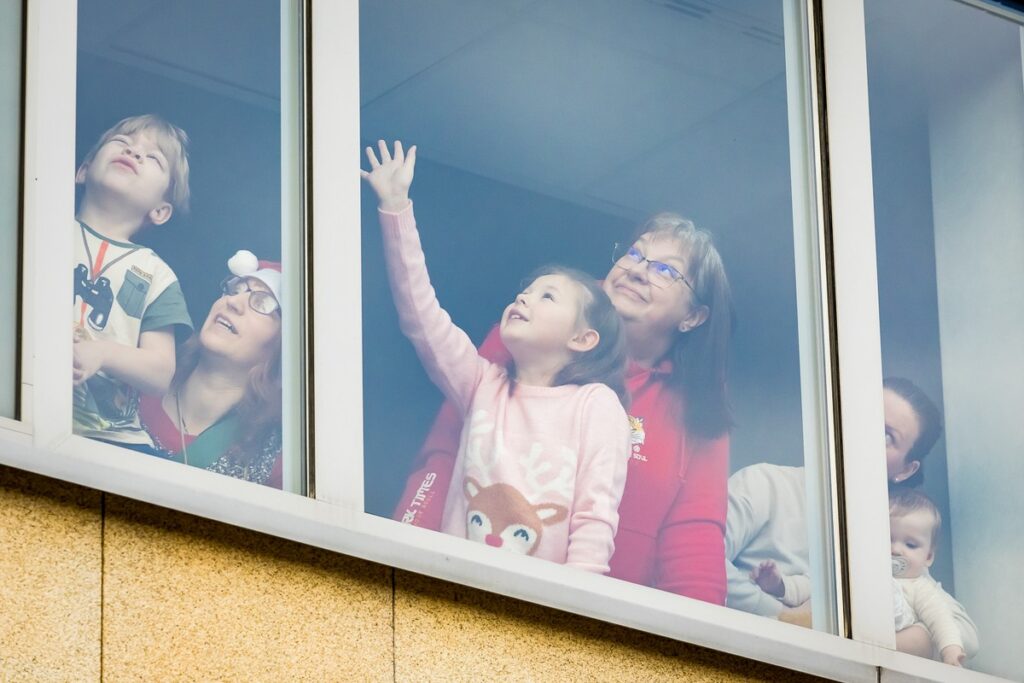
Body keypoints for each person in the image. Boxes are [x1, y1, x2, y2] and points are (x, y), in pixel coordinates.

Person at [387, 152, 734, 600]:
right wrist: (403, 552)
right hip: (451, 586)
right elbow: (447, 449)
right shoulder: (528, 337)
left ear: (693, 317)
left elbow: (695, 538)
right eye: (635, 254)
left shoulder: (699, 403)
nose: (637, 269)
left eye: (666, 270)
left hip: (592, 627)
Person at [362, 140, 630, 573]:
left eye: (548, 296)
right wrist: (396, 207)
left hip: (543, 606)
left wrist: (578, 610)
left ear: (583, 339)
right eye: (525, 291)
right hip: (455, 584)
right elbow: (420, 315)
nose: (524, 297)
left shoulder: (595, 404)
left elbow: (594, 518)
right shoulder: (483, 384)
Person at [724, 378, 979, 659]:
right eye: (862, 414)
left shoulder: (889, 539)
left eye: (886, 436)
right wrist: (783, 618)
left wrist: (857, 642)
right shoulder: (764, 483)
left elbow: (963, 630)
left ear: (906, 470)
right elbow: (702, 560)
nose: (864, 432)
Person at [72, 114, 193, 448]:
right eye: (122, 142)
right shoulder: (40, 226)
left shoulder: (157, 275)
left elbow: (159, 372)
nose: (135, 152)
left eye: (153, 157)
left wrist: (103, 354)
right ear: (83, 170)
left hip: (115, 440)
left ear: (161, 211)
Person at [139, 250, 284, 488]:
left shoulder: (277, 468)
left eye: (262, 302)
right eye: (234, 289)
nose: (233, 302)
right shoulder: (131, 382)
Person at [889, 488, 968, 667]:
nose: (895, 550)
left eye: (910, 544)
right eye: (887, 538)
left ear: (928, 557)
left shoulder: (919, 587)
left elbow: (941, 619)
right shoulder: (866, 575)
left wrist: (951, 651)